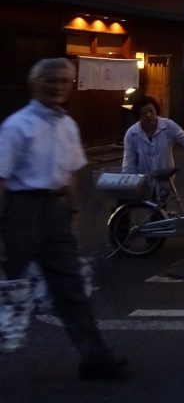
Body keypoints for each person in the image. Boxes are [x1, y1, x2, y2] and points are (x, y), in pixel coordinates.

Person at [0, 58, 129, 380]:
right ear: (35, 84)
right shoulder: (17, 125)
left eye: (64, 81)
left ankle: (96, 358)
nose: (58, 86)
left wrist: (72, 218)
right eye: (50, 80)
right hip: (21, 211)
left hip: (55, 213)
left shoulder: (68, 125)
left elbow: (70, 175)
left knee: (72, 288)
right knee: (9, 290)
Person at [122, 95, 184, 176]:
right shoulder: (132, 134)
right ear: (138, 115)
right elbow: (128, 160)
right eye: (143, 113)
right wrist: (129, 181)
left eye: (151, 111)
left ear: (156, 110)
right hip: (143, 180)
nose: (149, 115)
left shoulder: (168, 126)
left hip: (165, 178)